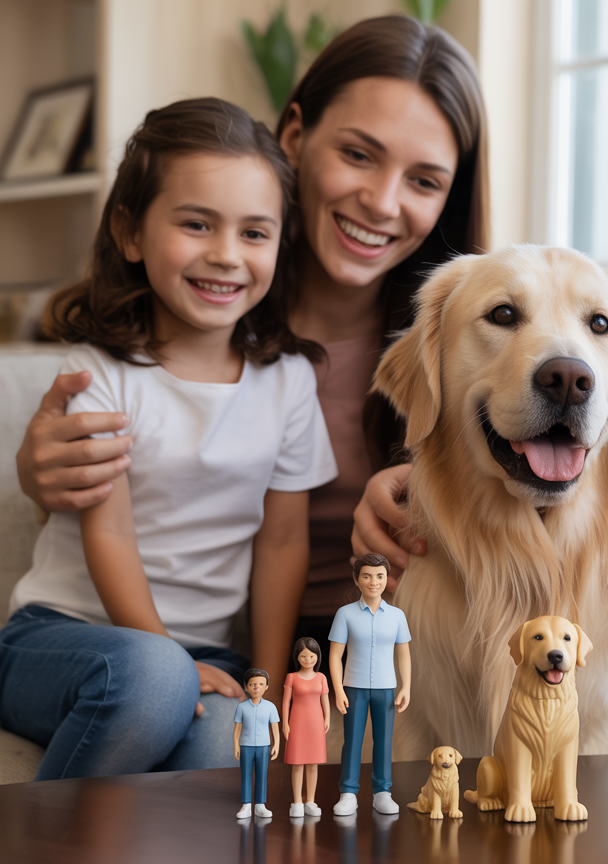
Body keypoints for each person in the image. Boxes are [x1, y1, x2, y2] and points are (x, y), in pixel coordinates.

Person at [14, 15, 489, 647]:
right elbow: (122, 508)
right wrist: (37, 475)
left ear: (449, 198)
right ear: (294, 135)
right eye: (357, 154)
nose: (381, 201)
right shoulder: (197, 310)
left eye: (424, 180)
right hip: (235, 639)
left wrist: (420, 489)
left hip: (402, 636)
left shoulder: (470, 337)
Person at [0, 99, 337, 778]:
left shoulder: (290, 381)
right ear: (130, 232)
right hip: (62, 638)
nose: (225, 255)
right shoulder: (96, 373)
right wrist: (166, 657)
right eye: (196, 224)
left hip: (208, 656)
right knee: (155, 680)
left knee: (229, 749)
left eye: (255, 233)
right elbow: (112, 535)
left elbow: (281, 544)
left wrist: (265, 683)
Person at [329, 553, 411, 816]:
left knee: (384, 740)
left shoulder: (397, 615)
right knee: (351, 740)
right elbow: (334, 655)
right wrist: (339, 689)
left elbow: (404, 654)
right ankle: (348, 792)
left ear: (387, 579)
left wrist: (406, 687)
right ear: (356, 579)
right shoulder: (345, 614)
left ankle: (382, 792)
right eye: (367, 576)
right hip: (354, 686)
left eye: (379, 576)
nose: (373, 582)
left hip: (386, 688)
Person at [282, 636, 330, 817]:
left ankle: (310, 800)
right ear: (297, 658)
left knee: (313, 763)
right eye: (303, 657)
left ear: (317, 656)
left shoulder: (321, 677)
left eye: (311, 656)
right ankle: (297, 802)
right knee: (297, 763)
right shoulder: (292, 677)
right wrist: (285, 723)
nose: (308, 660)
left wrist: (327, 719)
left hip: (316, 722)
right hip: (297, 722)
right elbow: (286, 703)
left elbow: (325, 699)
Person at [234, 668, 282, 819]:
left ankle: (260, 805)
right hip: (246, 745)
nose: (256, 687)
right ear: (247, 686)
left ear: (266, 686)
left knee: (262, 774)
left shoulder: (270, 707)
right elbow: (237, 728)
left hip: (263, 746)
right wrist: (236, 745)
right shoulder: (242, 707)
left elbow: (275, 727)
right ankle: (246, 805)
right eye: (253, 684)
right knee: (246, 775)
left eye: (261, 684)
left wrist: (276, 744)